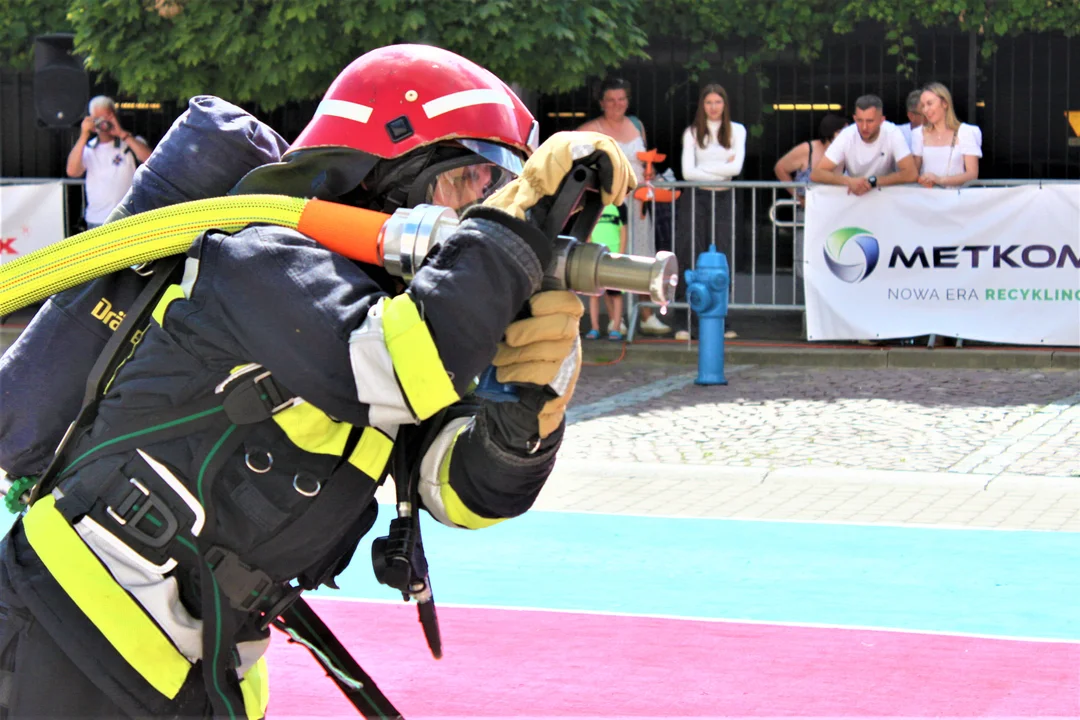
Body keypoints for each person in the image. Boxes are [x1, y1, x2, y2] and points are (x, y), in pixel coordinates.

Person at [0, 44, 634, 719]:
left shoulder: (384, 319)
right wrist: (513, 233)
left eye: (491, 190)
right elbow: (401, 359)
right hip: (73, 626)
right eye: (470, 182)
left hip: (195, 663)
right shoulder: (261, 257)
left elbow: (456, 492)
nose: (477, 207)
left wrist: (523, 412)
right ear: (390, 175)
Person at [579, 77, 669, 336]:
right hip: (610, 204)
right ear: (601, 103)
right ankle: (615, 321)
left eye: (621, 99)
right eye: (611, 100)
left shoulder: (637, 124)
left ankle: (645, 314)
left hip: (639, 201)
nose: (617, 104)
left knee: (642, 255)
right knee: (612, 257)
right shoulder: (590, 129)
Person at [677, 84, 746, 340]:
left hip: (724, 198)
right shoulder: (693, 132)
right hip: (696, 197)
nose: (713, 107)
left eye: (718, 102)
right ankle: (687, 321)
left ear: (725, 105)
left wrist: (708, 170)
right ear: (702, 106)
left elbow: (736, 168)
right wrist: (721, 168)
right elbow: (687, 173)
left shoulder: (737, 130)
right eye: (709, 103)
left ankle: (722, 320)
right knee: (690, 254)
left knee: (723, 255)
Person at [773, 113, 849, 284]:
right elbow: (781, 168)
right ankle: (805, 305)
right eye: (843, 132)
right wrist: (797, 196)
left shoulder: (848, 153)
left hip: (837, 215)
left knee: (834, 260)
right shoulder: (808, 150)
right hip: (808, 213)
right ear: (832, 132)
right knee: (806, 259)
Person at [65, 95, 153, 229]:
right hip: (97, 220)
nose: (103, 123)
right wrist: (84, 135)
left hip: (128, 218)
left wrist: (122, 134)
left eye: (107, 117)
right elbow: (72, 171)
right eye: (98, 119)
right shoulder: (88, 148)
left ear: (115, 116)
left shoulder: (130, 143)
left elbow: (151, 160)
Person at [810, 94, 918, 195]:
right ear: (854, 118)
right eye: (860, 120)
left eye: (870, 121)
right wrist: (849, 181)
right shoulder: (847, 135)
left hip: (884, 196)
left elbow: (911, 173)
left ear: (881, 120)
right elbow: (817, 173)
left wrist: (873, 182)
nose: (864, 127)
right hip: (852, 196)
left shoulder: (892, 132)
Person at [912, 82, 982, 188]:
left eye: (930, 103)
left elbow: (972, 174)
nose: (925, 109)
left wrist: (940, 180)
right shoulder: (918, 134)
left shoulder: (966, 132)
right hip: (926, 199)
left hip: (956, 200)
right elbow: (913, 172)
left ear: (944, 103)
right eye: (923, 106)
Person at [583, 204, 628, 341]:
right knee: (594, 294)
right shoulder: (595, 205)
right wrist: (590, 247)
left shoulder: (620, 206)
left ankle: (616, 328)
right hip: (596, 256)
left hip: (614, 257)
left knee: (615, 293)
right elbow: (588, 230)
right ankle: (595, 327)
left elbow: (623, 230)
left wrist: (620, 253)